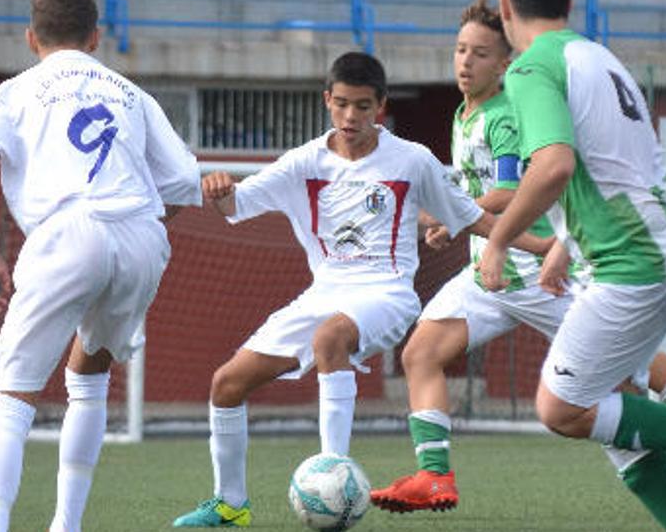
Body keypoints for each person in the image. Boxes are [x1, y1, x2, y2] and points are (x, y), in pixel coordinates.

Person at [369, 0, 666, 519]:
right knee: (420, 352)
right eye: (460, 50)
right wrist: (459, 218)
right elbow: (480, 193)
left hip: (537, 272)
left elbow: (513, 189)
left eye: (481, 54)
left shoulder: (508, 113)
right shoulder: (463, 113)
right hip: (489, 276)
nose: (466, 62)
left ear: (505, 59)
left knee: (628, 370)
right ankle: (434, 475)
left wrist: (452, 214)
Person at [171, 51, 553, 528]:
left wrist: (547, 245)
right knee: (226, 384)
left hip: (387, 293)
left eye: (364, 107)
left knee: (330, 339)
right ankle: (230, 503)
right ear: (328, 100)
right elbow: (236, 206)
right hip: (323, 294)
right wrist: (221, 189)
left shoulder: (412, 160)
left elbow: (476, 219)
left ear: (382, 107)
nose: (352, 117)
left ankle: (334, 481)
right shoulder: (303, 163)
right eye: (343, 104)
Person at [476, 0, 666, 529]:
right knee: (609, 402)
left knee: (560, 408)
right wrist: (566, 243)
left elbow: (554, 165)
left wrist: (496, 239)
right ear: (568, 3)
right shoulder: (596, 56)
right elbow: (614, 165)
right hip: (661, 245)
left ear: (505, 6)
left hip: (633, 260)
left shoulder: (531, 69)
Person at [0, 0, 202, 531]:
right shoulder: (132, 93)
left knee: (11, 394)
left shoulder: (16, 91)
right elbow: (185, 182)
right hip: (140, 236)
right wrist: (142, 229)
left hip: (67, 232)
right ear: (95, 37)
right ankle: (66, 526)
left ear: (30, 37)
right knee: (89, 372)